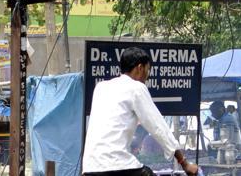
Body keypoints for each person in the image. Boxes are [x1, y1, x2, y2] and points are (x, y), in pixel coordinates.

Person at [82, 47, 203, 176]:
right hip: (117, 165)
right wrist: (184, 163)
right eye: (148, 70)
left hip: (90, 167)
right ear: (140, 68)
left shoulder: (101, 88)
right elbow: (158, 127)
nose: (147, 76)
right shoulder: (136, 88)